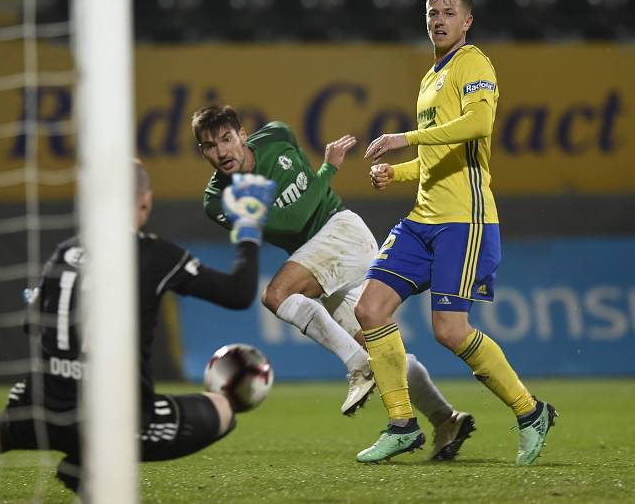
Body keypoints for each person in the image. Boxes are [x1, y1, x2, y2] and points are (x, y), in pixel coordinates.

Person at [0, 161, 277, 503]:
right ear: (145, 203)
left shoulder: (66, 251)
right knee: (225, 410)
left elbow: (32, 323)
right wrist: (248, 227)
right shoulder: (156, 255)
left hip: (45, 403)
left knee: (0, 432)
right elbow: (240, 294)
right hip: (115, 419)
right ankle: (86, 463)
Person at [194, 104, 476, 460]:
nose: (221, 151)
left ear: (242, 136)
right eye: (209, 146)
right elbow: (289, 222)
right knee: (382, 352)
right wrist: (327, 170)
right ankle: (445, 418)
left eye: (226, 139)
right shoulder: (216, 200)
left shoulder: (278, 135)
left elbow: (307, 209)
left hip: (341, 230)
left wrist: (325, 172)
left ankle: (357, 366)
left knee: (277, 295)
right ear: (202, 152)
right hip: (321, 253)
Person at [354, 0, 556, 466]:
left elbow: (478, 125)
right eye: (431, 14)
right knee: (369, 310)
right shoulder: (430, 78)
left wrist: (406, 137)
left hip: (463, 222)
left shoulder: (474, 63)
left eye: (447, 13)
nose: (437, 21)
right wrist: (397, 172)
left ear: (466, 20)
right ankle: (403, 423)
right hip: (422, 220)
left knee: (449, 330)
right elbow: (439, 153)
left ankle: (531, 412)